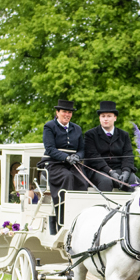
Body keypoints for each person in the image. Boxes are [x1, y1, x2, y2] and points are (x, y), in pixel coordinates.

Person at [38, 99, 87, 232]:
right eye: (64, 111)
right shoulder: (49, 126)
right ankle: (63, 218)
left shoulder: (77, 128)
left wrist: (78, 156)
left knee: (82, 181)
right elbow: (50, 149)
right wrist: (66, 157)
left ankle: (80, 218)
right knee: (67, 177)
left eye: (69, 112)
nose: (67, 114)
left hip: (73, 164)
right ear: (57, 112)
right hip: (53, 163)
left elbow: (82, 149)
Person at [83, 100, 138, 192]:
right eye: (103, 116)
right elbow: (93, 157)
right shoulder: (90, 135)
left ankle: (130, 206)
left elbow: (128, 156)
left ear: (115, 118)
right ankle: (106, 206)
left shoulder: (124, 135)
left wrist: (126, 172)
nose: (105, 119)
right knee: (106, 181)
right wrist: (110, 172)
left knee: (133, 181)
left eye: (109, 116)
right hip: (98, 170)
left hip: (119, 169)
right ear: (99, 118)